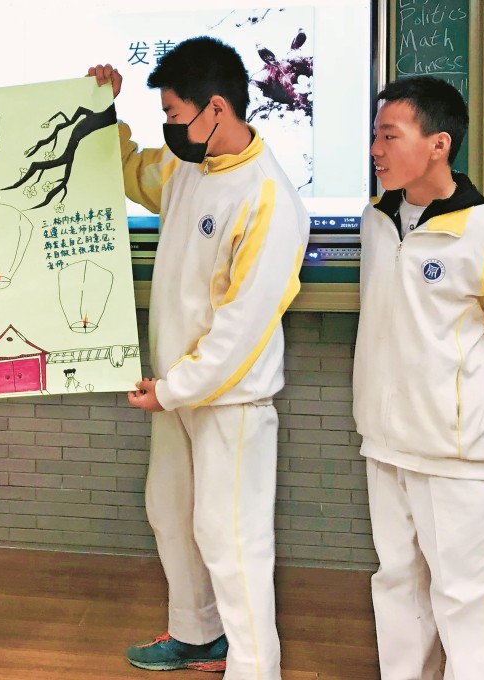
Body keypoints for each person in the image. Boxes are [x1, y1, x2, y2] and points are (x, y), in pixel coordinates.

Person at [90, 36, 309, 678]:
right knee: (170, 515)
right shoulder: (188, 165)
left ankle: (254, 666)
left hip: (229, 403)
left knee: (231, 538)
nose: (169, 128)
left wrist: (175, 388)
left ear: (217, 108)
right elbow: (132, 173)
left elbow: (241, 329)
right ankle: (196, 634)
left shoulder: (268, 197)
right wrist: (103, 112)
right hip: (173, 394)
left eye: (174, 115)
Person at [354, 75, 484, 680]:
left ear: (439, 143)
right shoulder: (376, 219)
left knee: (463, 596)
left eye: (390, 136)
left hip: (456, 451)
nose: (376, 150)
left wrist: (469, 408)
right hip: (384, 443)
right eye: (375, 136)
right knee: (396, 584)